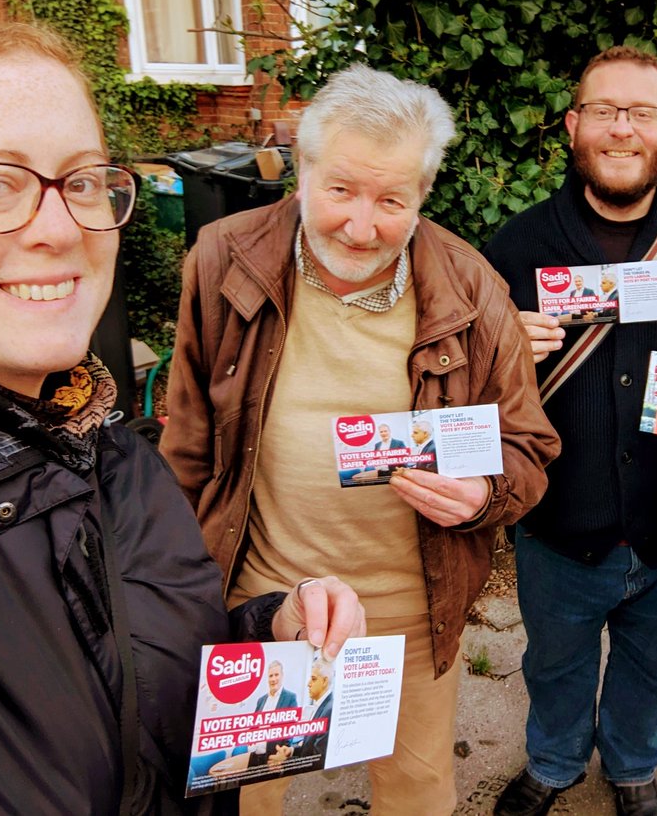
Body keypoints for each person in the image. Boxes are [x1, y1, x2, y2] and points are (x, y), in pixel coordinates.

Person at [0, 23, 365, 814]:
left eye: (83, 180)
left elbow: (133, 696)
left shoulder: (115, 455)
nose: (59, 228)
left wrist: (268, 632)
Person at [161, 63, 559, 816]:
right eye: (341, 189)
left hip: (411, 615)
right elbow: (186, 443)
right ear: (302, 170)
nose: (361, 224)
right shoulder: (223, 258)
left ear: (422, 197)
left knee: (416, 794)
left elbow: (529, 448)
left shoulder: (472, 288)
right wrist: (175, 595)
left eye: (391, 200)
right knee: (241, 796)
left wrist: (484, 493)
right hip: (261, 600)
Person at [484, 46, 657, 816]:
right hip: (555, 528)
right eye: (604, 110)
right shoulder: (514, 248)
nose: (621, 129)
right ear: (574, 125)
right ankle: (555, 760)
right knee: (554, 663)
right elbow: (469, 391)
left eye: (641, 113)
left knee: (654, 664)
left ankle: (634, 767)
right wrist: (497, 347)